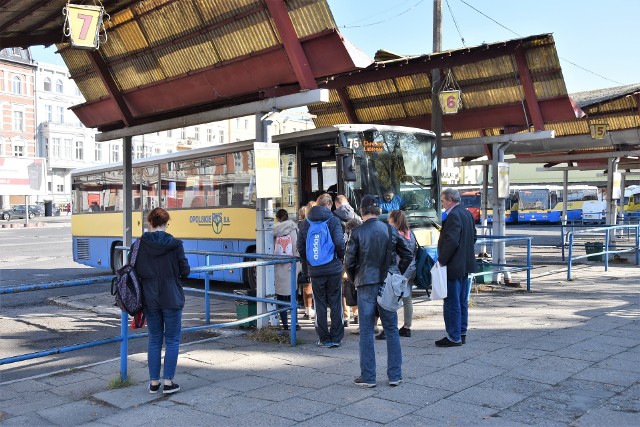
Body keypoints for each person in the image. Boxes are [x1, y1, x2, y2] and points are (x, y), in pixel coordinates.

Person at [345, 195, 412, 387]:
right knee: (391, 329)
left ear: (361, 211)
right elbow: (407, 252)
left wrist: (354, 278)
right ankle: (395, 375)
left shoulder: (356, 232)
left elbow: (348, 262)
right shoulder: (390, 230)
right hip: (388, 282)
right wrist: (396, 272)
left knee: (366, 330)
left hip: (365, 282)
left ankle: (368, 376)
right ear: (378, 211)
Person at [135, 207, 190, 394]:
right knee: (173, 340)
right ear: (167, 223)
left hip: (150, 298)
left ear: (150, 223)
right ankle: (168, 382)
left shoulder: (140, 244)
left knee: (154, 340)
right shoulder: (175, 244)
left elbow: (134, 269)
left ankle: (153, 383)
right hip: (172, 297)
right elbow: (185, 271)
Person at [297, 193, 345, 348]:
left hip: (315, 270)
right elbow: (339, 242)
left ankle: (324, 338)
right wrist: (341, 257)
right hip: (333, 268)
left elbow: (301, 248)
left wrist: (308, 265)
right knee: (335, 302)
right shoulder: (333, 220)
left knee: (320, 304)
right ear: (329, 204)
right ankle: (336, 338)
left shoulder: (305, 223)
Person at [436, 188, 477, 347]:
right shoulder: (466, 214)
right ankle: (461, 332)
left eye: (443, 201)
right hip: (465, 264)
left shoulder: (453, 215)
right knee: (462, 301)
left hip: (453, 266)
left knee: (452, 302)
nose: (443, 204)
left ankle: (453, 336)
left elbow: (451, 241)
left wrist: (441, 261)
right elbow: (473, 236)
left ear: (450, 200)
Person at [376, 209, 417, 340]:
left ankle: (388, 328)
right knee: (407, 298)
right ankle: (407, 327)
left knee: (390, 299)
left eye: (389, 219)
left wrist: (398, 271)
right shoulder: (411, 233)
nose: (388, 222)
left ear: (393, 220)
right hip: (412, 269)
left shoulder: (394, 234)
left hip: (398, 270)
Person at [334, 194, 361, 326]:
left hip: (340, 257)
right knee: (354, 285)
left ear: (336, 205)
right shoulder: (356, 216)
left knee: (341, 287)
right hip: (355, 257)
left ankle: (345, 317)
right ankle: (357, 314)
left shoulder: (334, 218)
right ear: (347, 202)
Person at [273, 208, 300, 332]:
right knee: (292, 298)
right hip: (291, 268)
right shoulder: (294, 230)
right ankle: (295, 324)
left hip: (279, 268)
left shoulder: (274, 231)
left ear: (277, 218)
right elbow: (297, 249)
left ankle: (284, 325)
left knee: (281, 298)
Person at [298, 203, 315, 320]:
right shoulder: (322, 223)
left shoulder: (301, 225)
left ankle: (308, 310)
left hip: (306, 261)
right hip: (319, 261)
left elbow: (300, 246)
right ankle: (315, 311)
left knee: (307, 284)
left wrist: (305, 256)